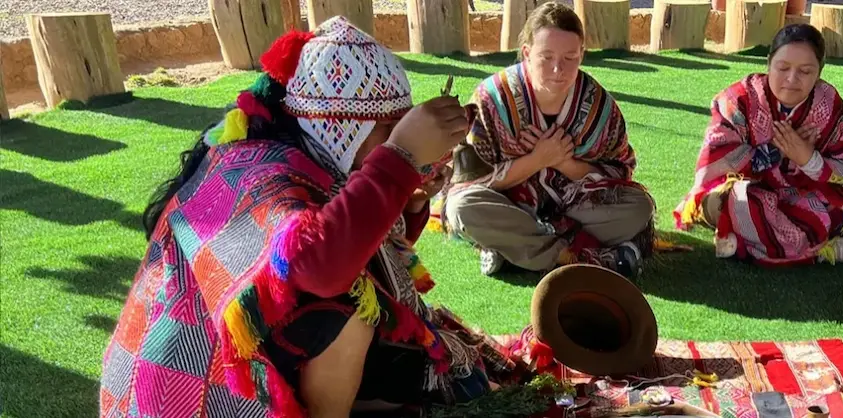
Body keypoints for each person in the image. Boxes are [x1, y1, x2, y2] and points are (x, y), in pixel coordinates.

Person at [98, 17, 526, 418]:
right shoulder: (256, 171)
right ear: (344, 128)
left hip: (180, 380)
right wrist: (401, 157)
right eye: (388, 128)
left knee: (361, 304)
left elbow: (360, 242)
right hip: (188, 398)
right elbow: (317, 265)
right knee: (344, 309)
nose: (393, 140)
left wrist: (407, 198)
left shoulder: (301, 153)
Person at [437, 2, 655, 278]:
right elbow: (469, 180)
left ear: (582, 55)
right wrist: (536, 160)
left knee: (638, 208)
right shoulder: (493, 98)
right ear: (527, 53)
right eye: (546, 57)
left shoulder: (599, 106)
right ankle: (570, 255)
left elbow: (619, 170)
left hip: (575, 206)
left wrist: (564, 162)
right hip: (510, 205)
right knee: (462, 208)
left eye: (569, 57)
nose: (557, 70)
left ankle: (515, 249)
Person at [672, 24, 843, 267]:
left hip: (801, 194)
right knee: (738, 202)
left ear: (819, 72)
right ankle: (824, 252)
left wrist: (809, 160)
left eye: (805, 71)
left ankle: (753, 241)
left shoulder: (828, 105)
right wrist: (776, 152)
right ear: (769, 64)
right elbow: (715, 159)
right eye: (783, 67)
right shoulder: (740, 100)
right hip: (747, 191)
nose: (791, 79)